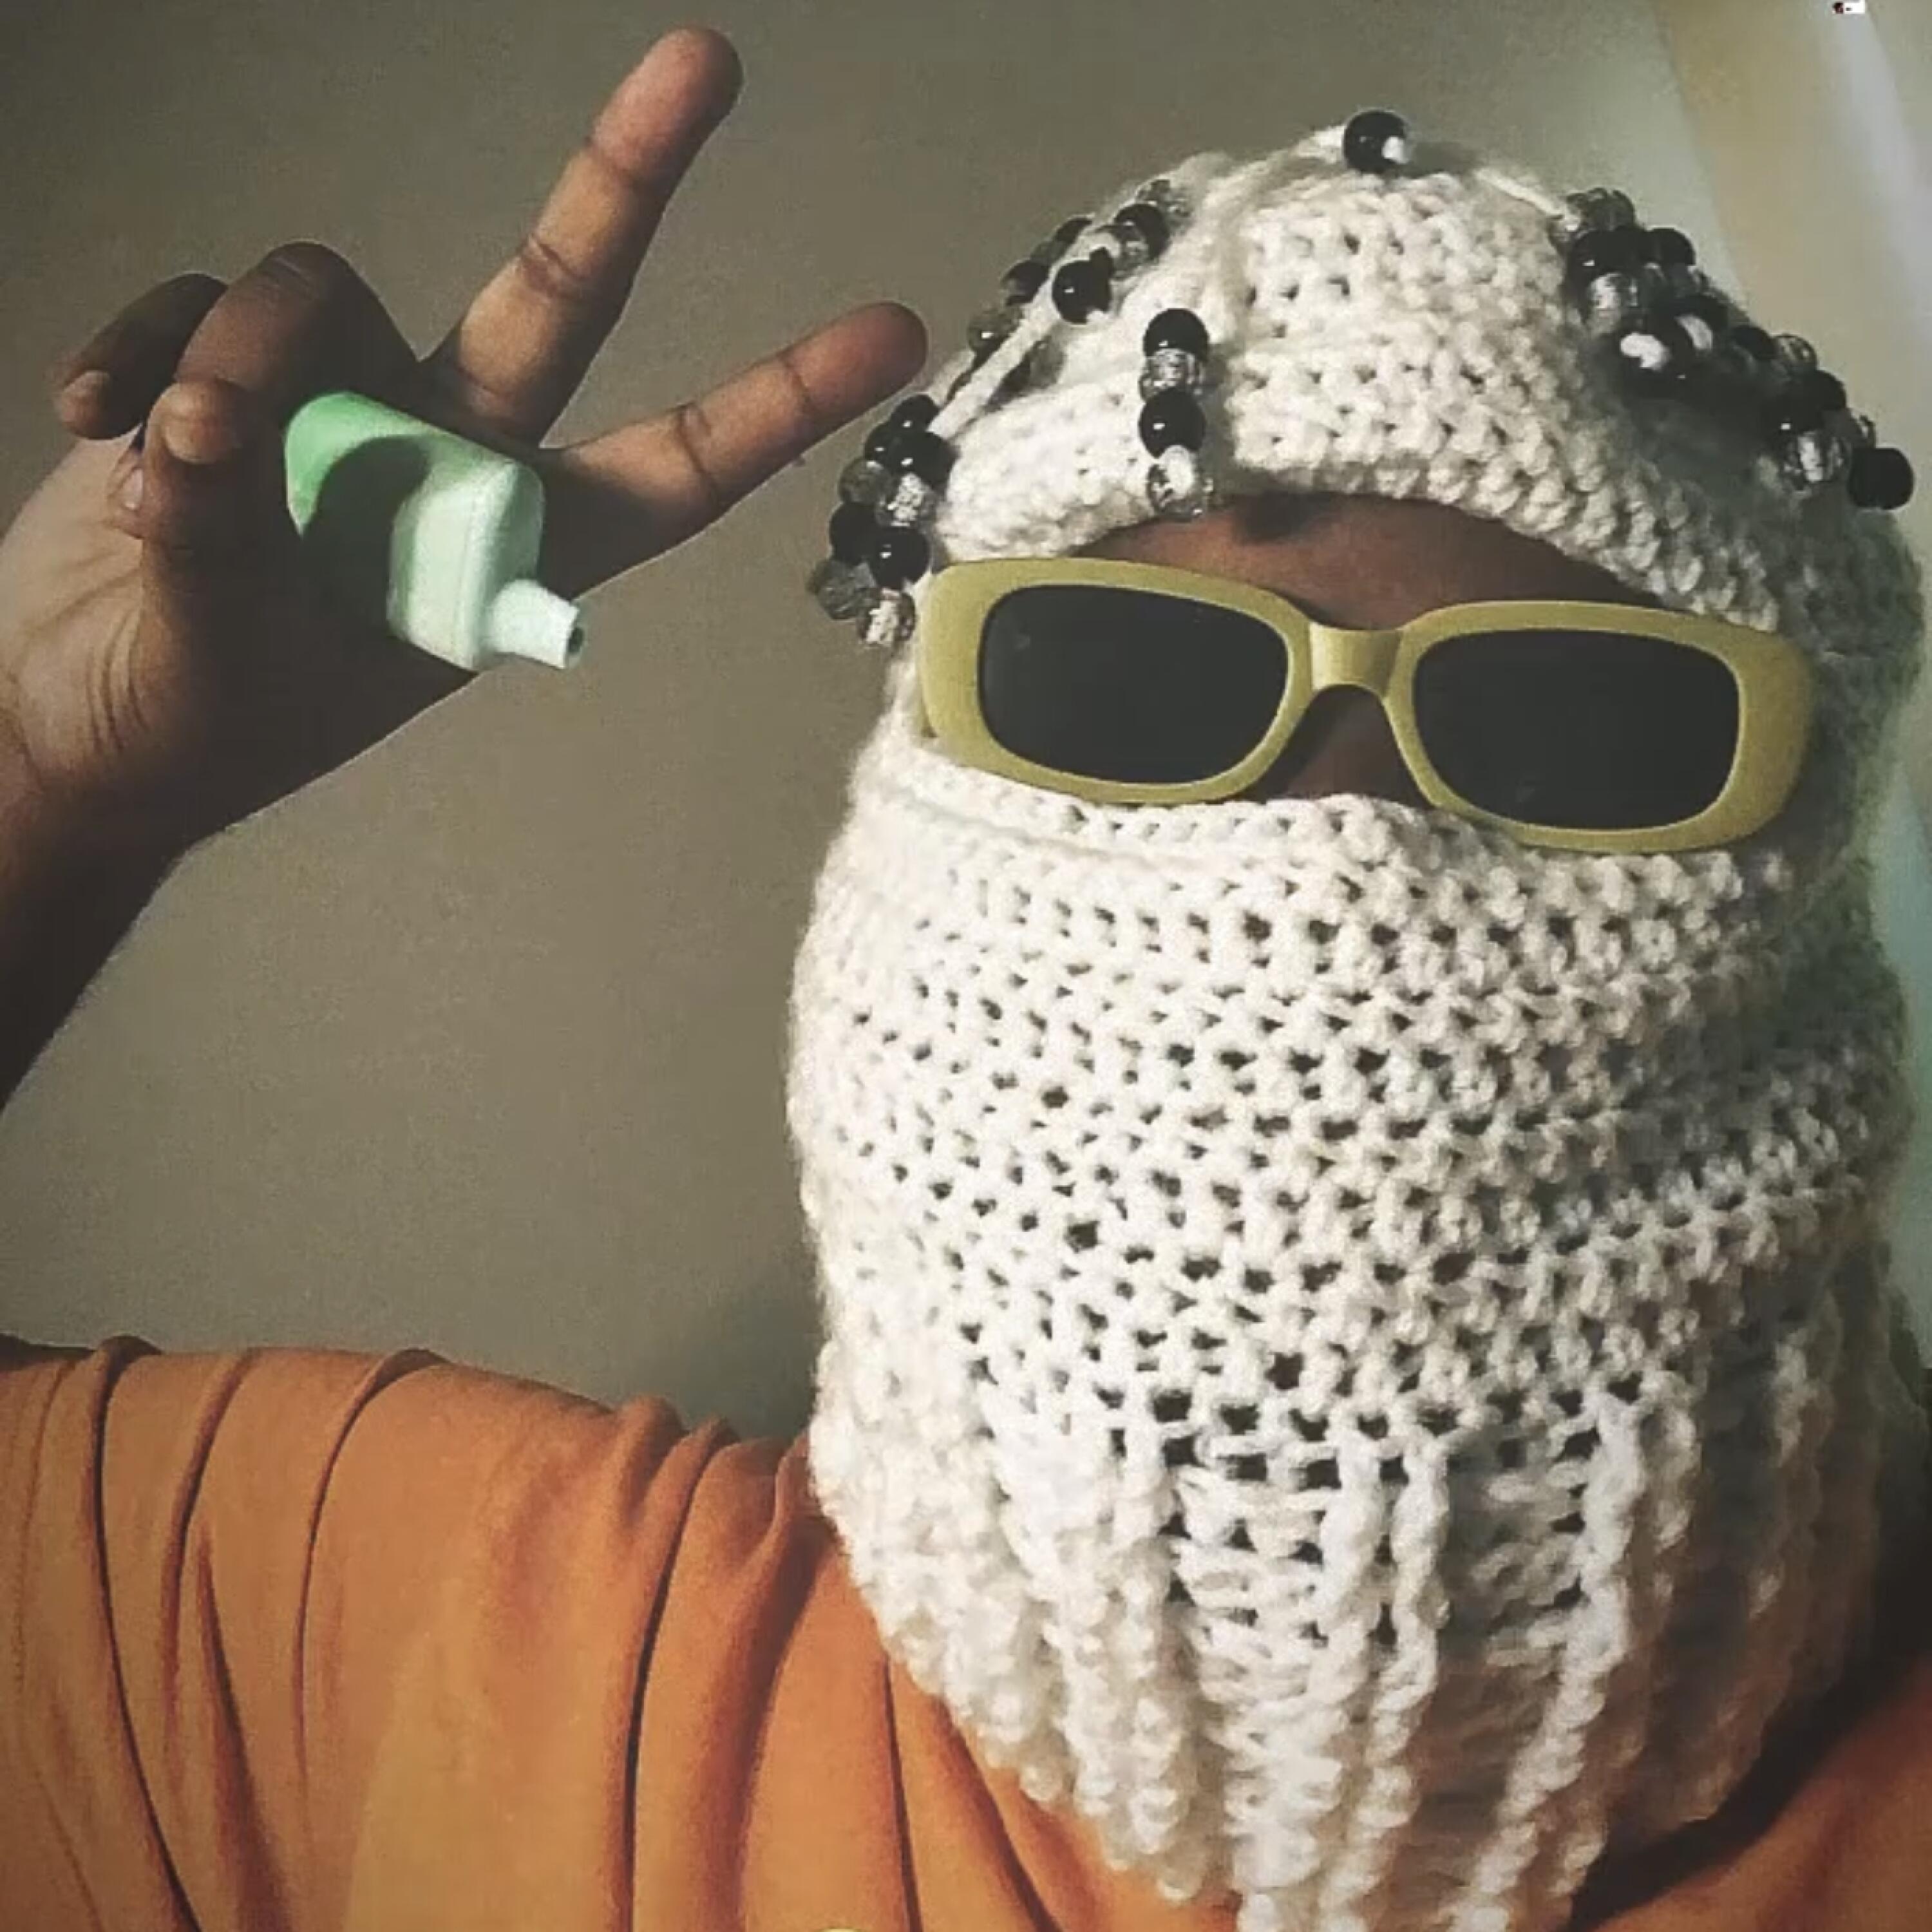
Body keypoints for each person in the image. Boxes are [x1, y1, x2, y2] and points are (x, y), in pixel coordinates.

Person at [2, 24, 1929, 1932]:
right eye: (1127, 684)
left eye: (1582, 721)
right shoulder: (499, 1673)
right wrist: (27, 784)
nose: (1331, 867)